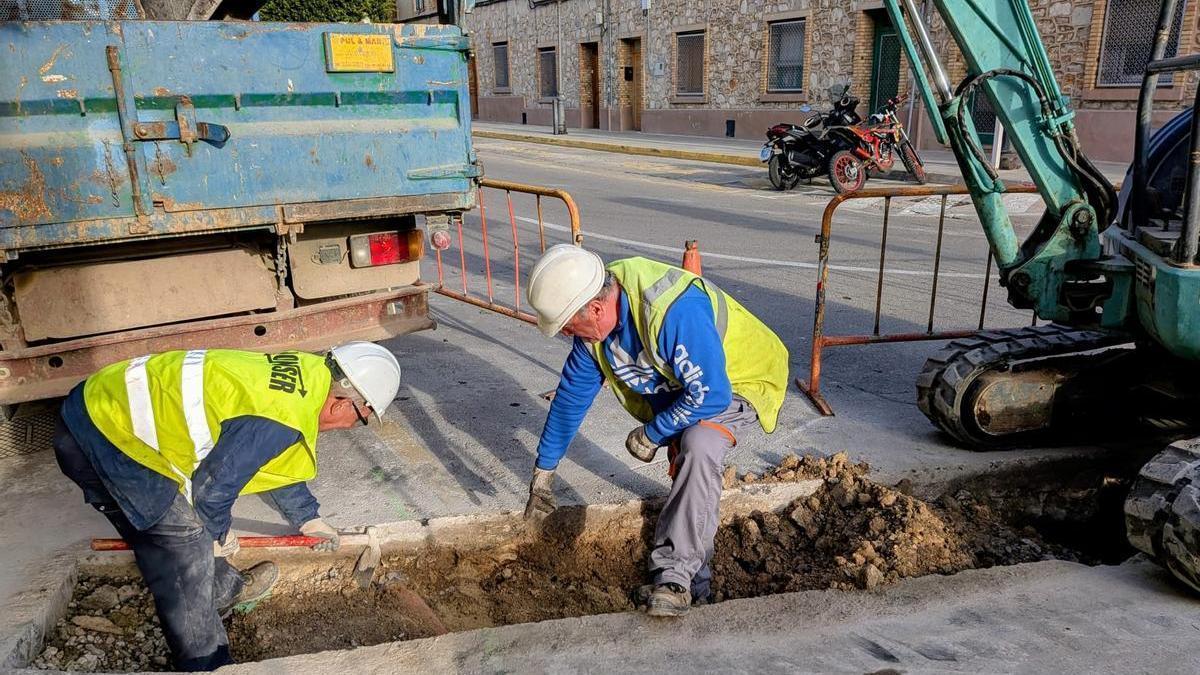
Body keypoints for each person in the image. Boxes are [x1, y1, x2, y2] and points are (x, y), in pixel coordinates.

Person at [53, 342, 401, 670]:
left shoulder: (307, 377)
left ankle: (221, 591)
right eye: (361, 420)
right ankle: (208, 665)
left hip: (98, 411)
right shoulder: (278, 418)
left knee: (172, 535)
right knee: (184, 544)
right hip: (103, 432)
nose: (351, 427)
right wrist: (216, 537)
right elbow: (210, 492)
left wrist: (308, 518)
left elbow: (270, 460)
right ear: (343, 403)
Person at [523, 245, 788, 617]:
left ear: (596, 309)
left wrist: (653, 432)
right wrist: (543, 475)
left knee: (699, 444)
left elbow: (711, 393)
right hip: (689, 384)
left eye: (568, 326)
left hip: (740, 376)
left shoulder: (673, 312)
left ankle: (674, 581)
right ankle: (699, 586)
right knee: (687, 458)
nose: (568, 335)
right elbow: (570, 398)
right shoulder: (595, 328)